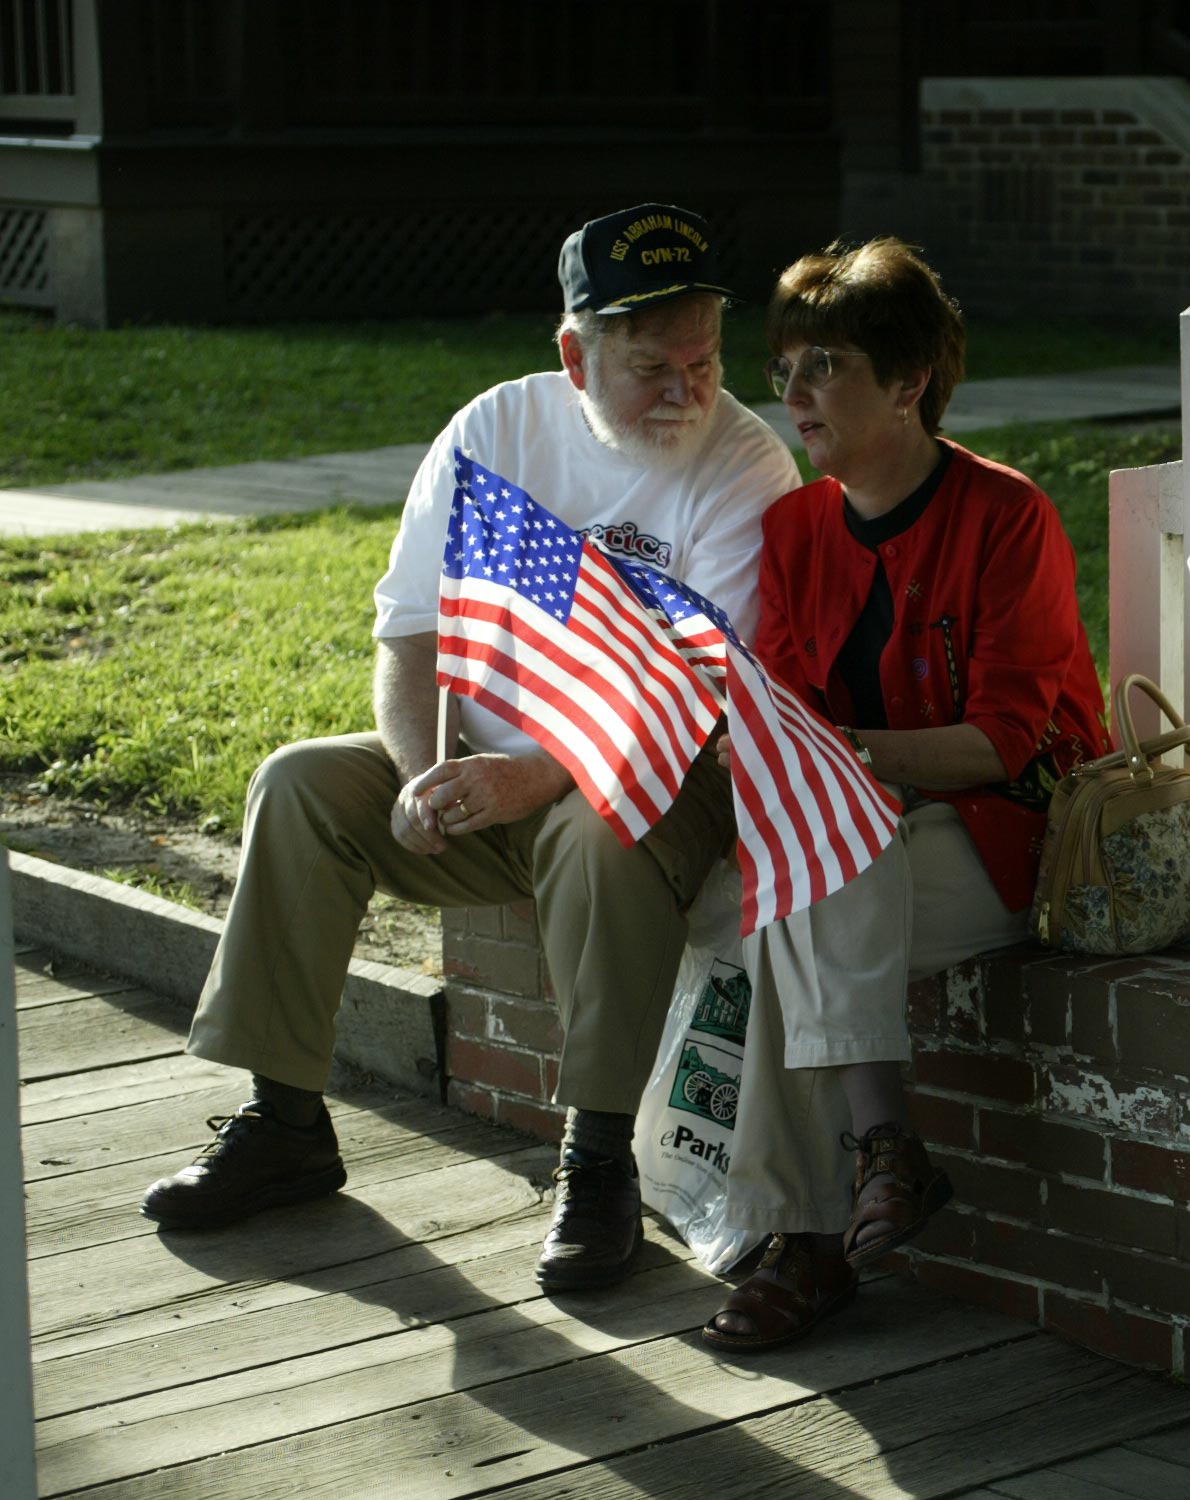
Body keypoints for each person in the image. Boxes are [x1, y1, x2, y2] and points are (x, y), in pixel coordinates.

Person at [149, 204, 803, 1289]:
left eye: (705, 358)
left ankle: (597, 1166)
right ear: (572, 355)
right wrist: (422, 781)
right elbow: (407, 633)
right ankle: (285, 1123)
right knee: (301, 783)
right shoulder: (494, 430)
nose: (689, 390)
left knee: (599, 831)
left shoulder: (746, 465)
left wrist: (532, 774)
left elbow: (697, 690)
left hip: (650, 782)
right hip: (493, 779)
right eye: (652, 367)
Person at [701, 238, 1110, 1350]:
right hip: (872, 839)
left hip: (1013, 837)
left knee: (799, 888)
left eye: (823, 365)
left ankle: (812, 1238)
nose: (791, 394)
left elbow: (1002, 742)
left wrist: (838, 757)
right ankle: (871, 1173)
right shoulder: (794, 529)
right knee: (801, 885)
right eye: (783, 366)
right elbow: (787, 722)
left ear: (909, 381)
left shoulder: (1004, 515)